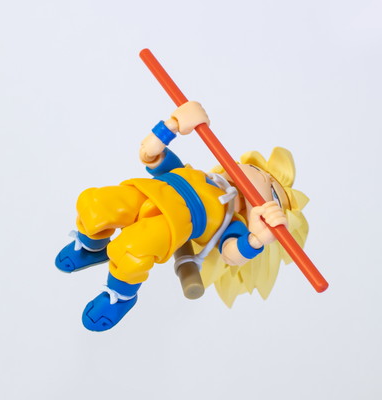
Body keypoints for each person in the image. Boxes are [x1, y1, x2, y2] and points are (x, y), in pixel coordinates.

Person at [55, 102, 308, 331]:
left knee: (132, 249)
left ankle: (120, 296)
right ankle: (91, 246)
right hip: (149, 191)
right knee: (94, 202)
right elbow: (152, 156)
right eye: (256, 170)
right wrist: (171, 127)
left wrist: (257, 239)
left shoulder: (231, 221)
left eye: (272, 193)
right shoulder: (196, 174)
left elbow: (231, 255)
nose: (261, 178)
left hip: (175, 223)